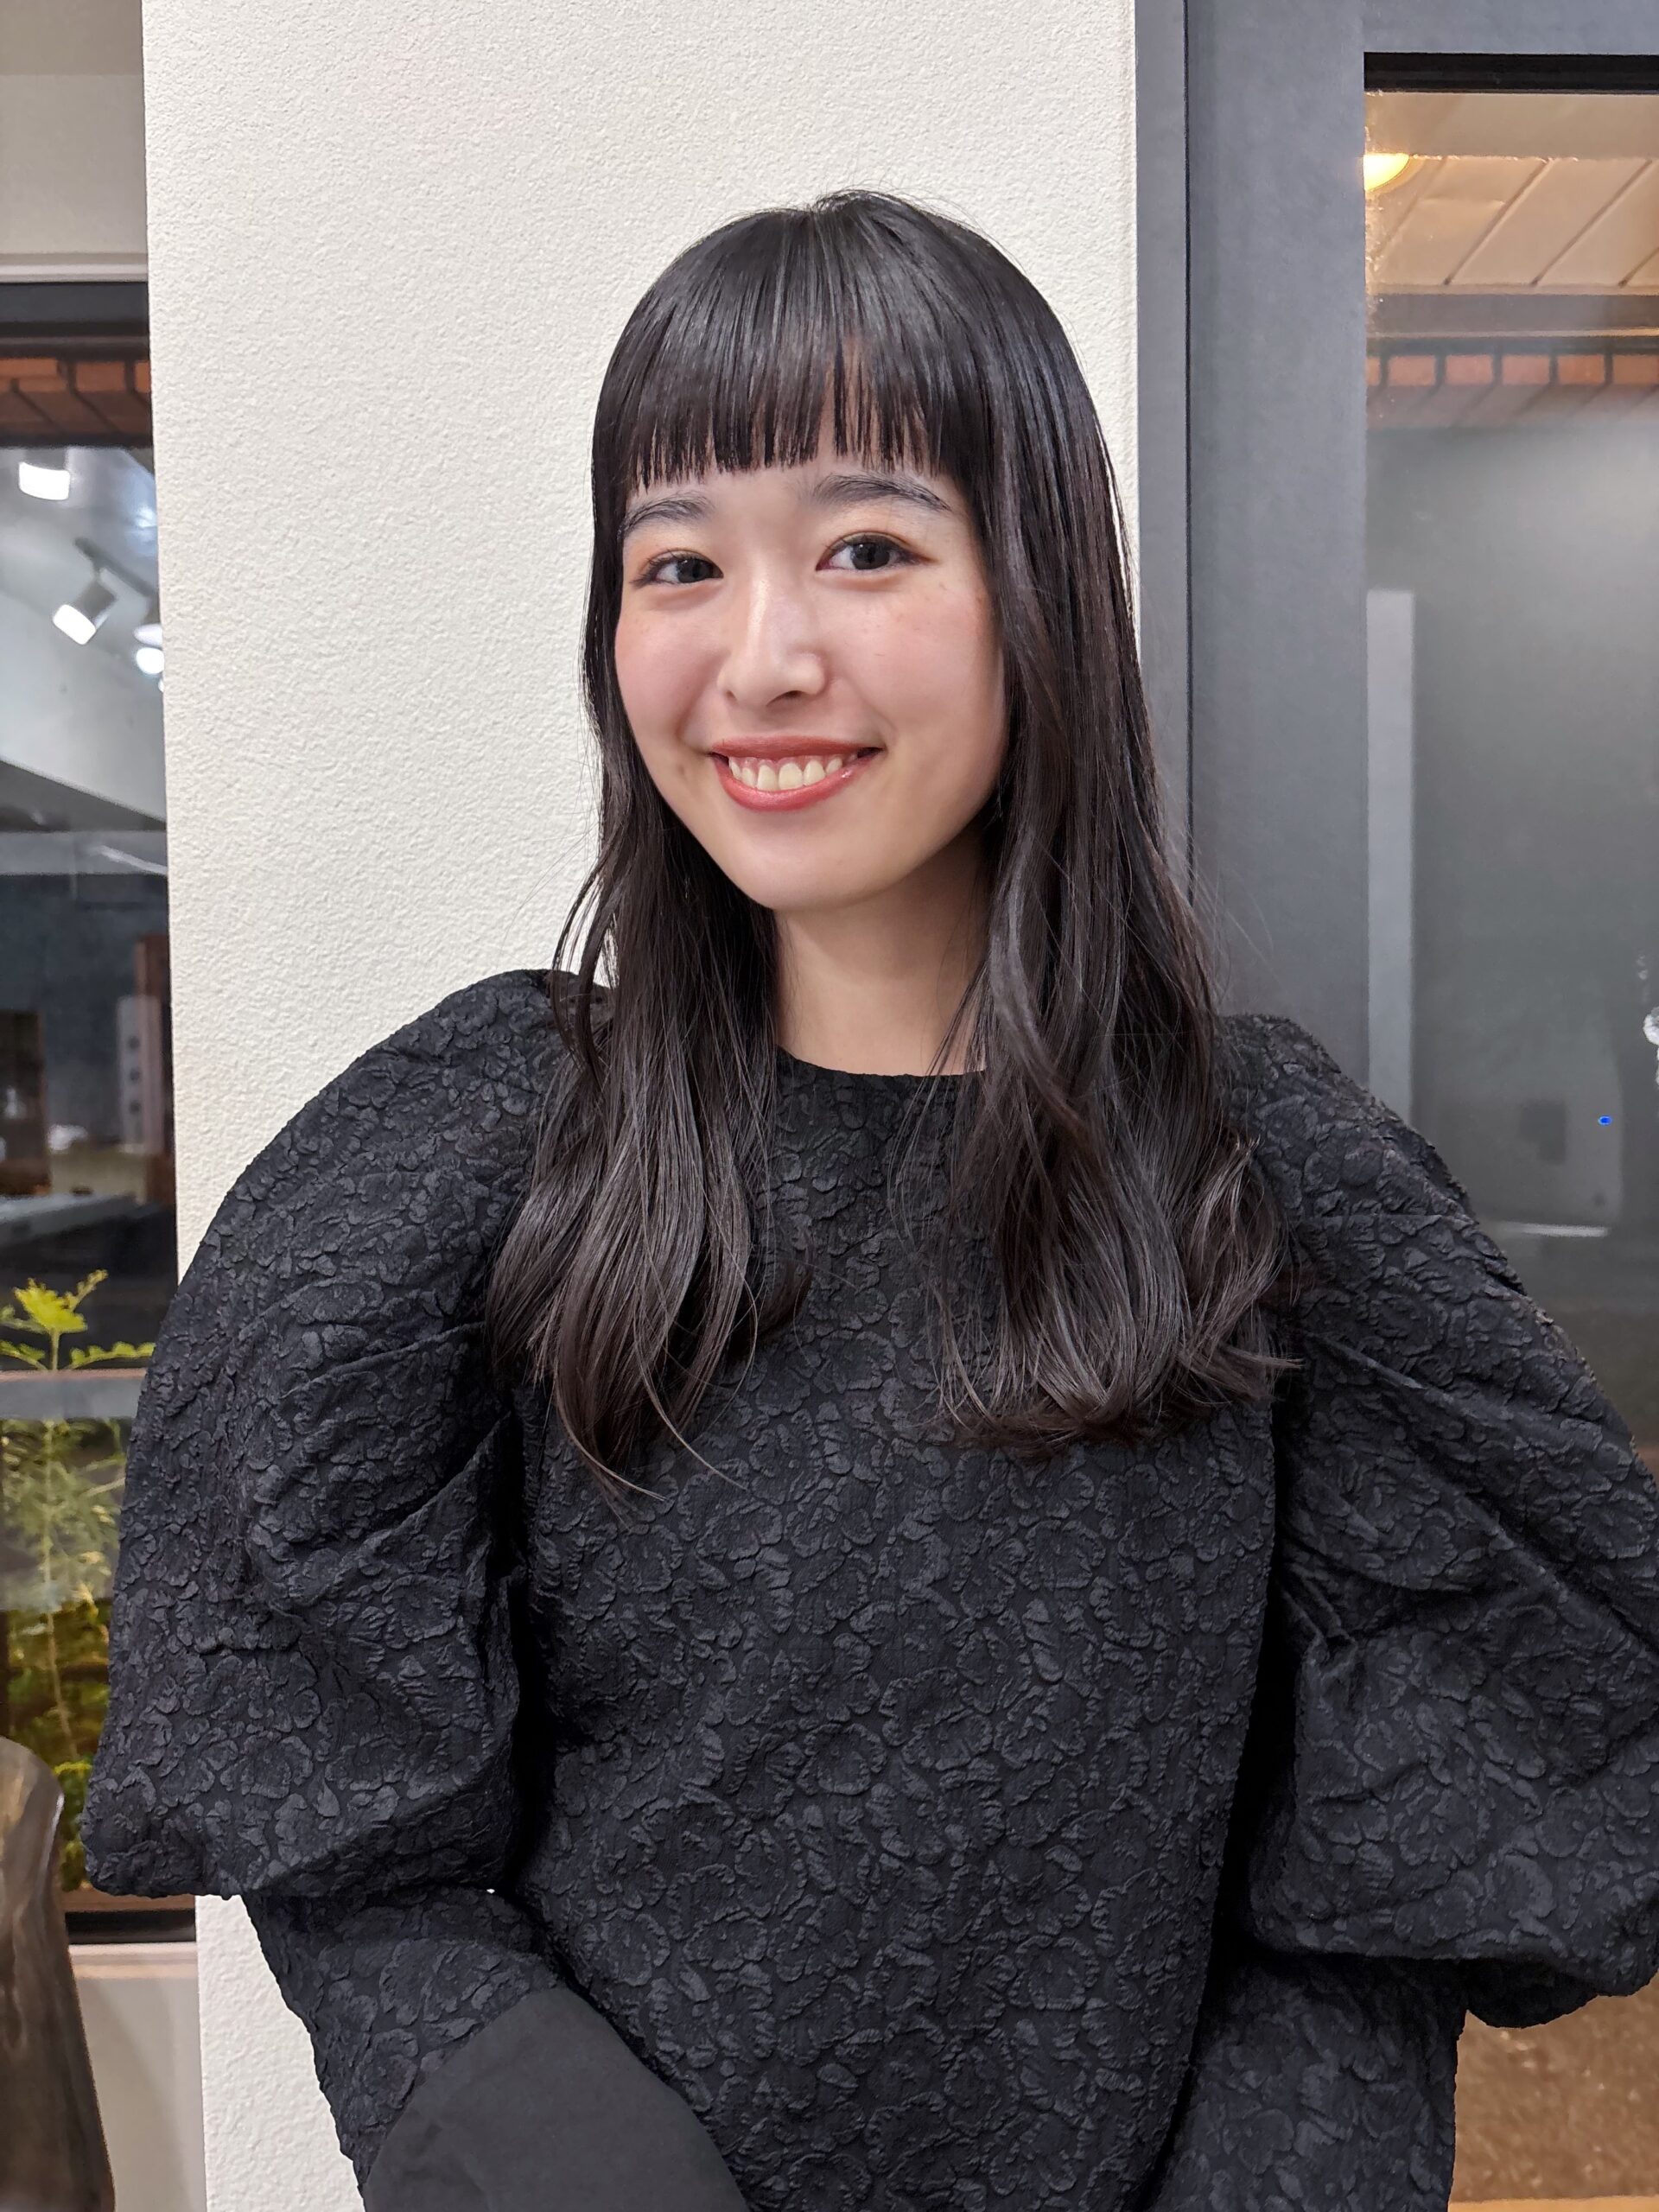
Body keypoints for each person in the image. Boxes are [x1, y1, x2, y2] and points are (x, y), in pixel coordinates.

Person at [81, 189, 1659, 2210]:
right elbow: (353, 1835)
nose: (762, 657)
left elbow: (1396, 1854)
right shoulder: (486, 1147)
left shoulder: (1266, 1169)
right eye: (678, 562)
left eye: (868, 548)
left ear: (1039, 593)